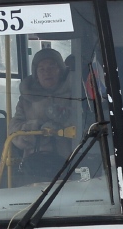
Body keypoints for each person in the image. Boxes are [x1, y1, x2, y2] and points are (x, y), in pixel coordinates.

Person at [11, 48, 78, 181]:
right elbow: (14, 130)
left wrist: (63, 122)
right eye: (41, 69)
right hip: (36, 166)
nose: (47, 72)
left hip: (72, 163)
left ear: (61, 70)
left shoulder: (76, 93)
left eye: (52, 67)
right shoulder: (27, 98)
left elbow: (86, 121)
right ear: (36, 74)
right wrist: (36, 129)